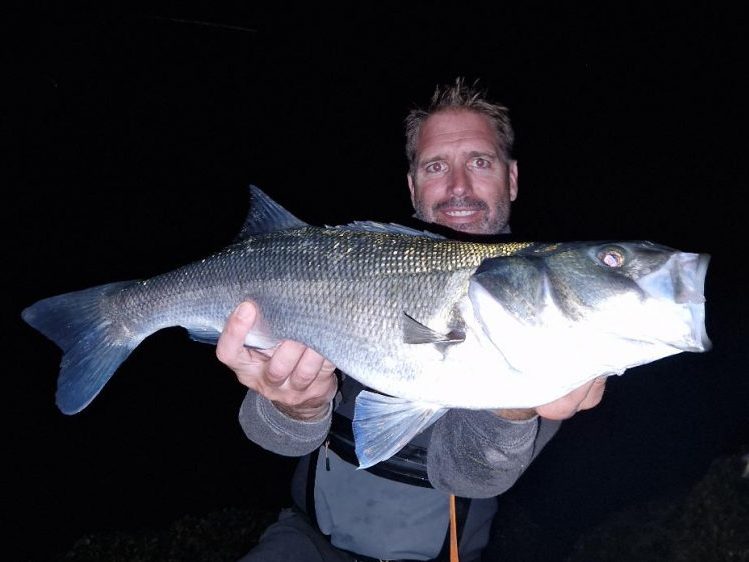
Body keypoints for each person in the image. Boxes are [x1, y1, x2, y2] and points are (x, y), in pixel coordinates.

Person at [218, 78, 607, 561]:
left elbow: (472, 476)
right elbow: (275, 440)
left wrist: (515, 407)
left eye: (480, 162)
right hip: (305, 541)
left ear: (512, 178)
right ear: (412, 184)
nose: (458, 186)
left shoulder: (545, 296)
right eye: (436, 166)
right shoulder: (356, 268)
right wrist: (296, 409)